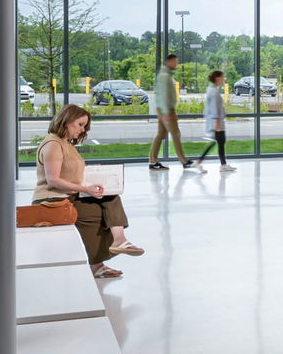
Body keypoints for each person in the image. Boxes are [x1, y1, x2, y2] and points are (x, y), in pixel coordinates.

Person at [34, 104, 145, 279]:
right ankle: (103, 258)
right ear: (67, 121)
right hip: (53, 199)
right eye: (80, 124)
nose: (82, 129)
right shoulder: (54, 144)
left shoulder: (65, 143)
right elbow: (53, 180)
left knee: (110, 196)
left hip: (68, 196)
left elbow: (70, 173)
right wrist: (86, 189)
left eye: (84, 126)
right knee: (96, 214)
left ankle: (118, 241)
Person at [148, 53, 193, 171]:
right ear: (169, 62)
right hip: (167, 110)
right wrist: (166, 113)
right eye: (175, 62)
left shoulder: (165, 74)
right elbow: (162, 95)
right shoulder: (164, 76)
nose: (176, 64)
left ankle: (153, 161)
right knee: (176, 134)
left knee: (161, 135)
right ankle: (184, 161)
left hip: (164, 110)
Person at [195, 70, 236, 172]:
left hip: (217, 122)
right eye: (222, 77)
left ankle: (221, 164)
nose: (224, 79)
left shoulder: (213, 89)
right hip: (216, 123)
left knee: (219, 142)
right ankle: (219, 165)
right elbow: (213, 108)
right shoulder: (213, 91)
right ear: (217, 78)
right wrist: (217, 122)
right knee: (218, 142)